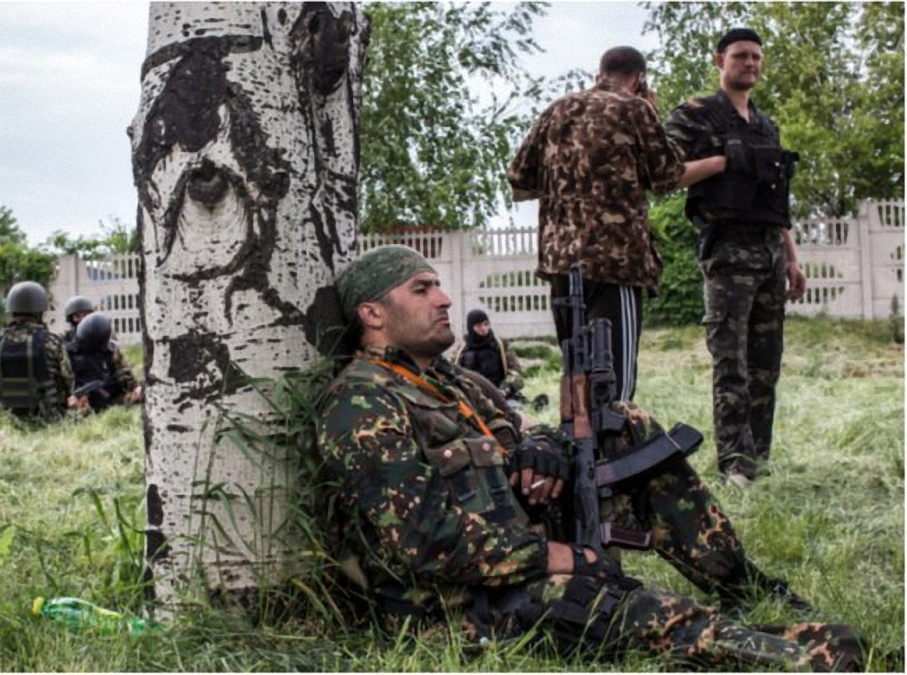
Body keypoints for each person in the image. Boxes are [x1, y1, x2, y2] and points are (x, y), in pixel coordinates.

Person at [315, 245, 864, 671]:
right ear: (373, 312)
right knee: (625, 610)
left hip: (519, 544)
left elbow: (518, 431)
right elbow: (422, 540)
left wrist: (543, 451)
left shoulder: (451, 379)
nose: (445, 299)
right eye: (422, 289)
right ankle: (810, 655)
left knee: (626, 428)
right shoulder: (363, 401)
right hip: (458, 602)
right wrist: (562, 557)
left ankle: (743, 586)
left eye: (438, 285)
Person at [508, 46, 727, 403]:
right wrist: (718, 163)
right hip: (616, 263)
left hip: (561, 265)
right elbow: (667, 175)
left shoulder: (556, 110)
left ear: (599, 73)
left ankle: (580, 455)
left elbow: (518, 176)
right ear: (639, 79)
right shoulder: (635, 108)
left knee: (576, 381)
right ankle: (614, 452)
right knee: (614, 387)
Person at [665, 28, 805, 486]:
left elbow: (776, 199)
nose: (751, 64)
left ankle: (758, 457)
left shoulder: (766, 125)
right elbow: (665, 174)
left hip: (768, 250)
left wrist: (792, 257)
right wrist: (725, 160)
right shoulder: (697, 115)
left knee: (767, 362)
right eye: (741, 56)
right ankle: (734, 464)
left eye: (757, 57)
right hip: (727, 251)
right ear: (719, 61)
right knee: (732, 363)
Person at [0, 281, 75, 423]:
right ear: (39, 312)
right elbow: (68, 380)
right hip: (46, 417)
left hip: (4, 418)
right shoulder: (52, 341)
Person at [65, 312, 142, 412]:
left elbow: (125, 374)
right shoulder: (69, 352)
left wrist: (135, 389)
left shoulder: (111, 351)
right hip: (80, 400)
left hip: (109, 398)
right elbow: (64, 383)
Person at [454, 309, 526, 398]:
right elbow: (453, 371)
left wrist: (504, 389)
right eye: (479, 325)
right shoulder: (462, 349)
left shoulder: (500, 345)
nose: (483, 328)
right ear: (471, 327)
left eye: (486, 324)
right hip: (472, 396)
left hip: (500, 394)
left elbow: (516, 372)